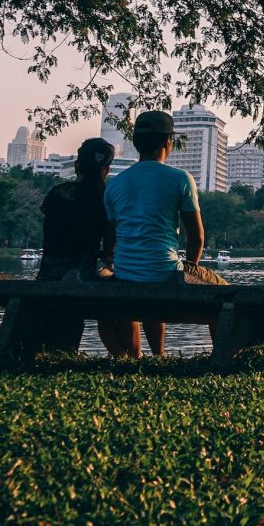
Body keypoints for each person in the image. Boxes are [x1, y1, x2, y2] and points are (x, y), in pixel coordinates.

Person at [100, 109, 226, 357]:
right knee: (226, 294)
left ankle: (156, 356)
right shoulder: (180, 179)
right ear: (169, 142)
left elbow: (111, 237)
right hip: (166, 271)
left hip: (125, 273)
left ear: (135, 143)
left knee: (150, 280)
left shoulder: (115, 183)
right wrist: (190, 270)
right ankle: (221, 356)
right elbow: (197, 237)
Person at [38, 137, 115, 281]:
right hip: (85, 276)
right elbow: (109, 247)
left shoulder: (57, 193)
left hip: (49, 276)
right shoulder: (105, 199)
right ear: (106, 171)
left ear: (76, 165)